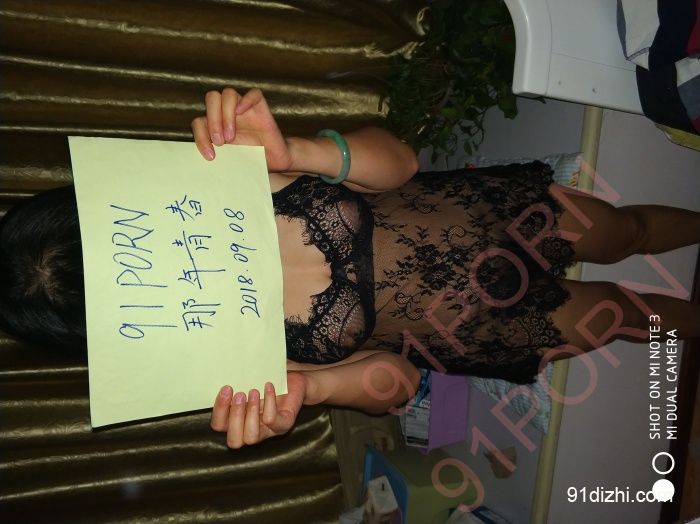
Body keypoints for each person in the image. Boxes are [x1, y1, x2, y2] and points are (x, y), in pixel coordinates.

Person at [1, 88, 699, 450]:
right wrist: (313, 389)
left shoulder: (224, 179)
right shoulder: (227, 364)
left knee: (627, 230)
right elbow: (400, 382)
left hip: (486, 212)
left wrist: (299, 152)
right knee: (625, 315)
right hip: (478, 327)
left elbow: (401, 162)